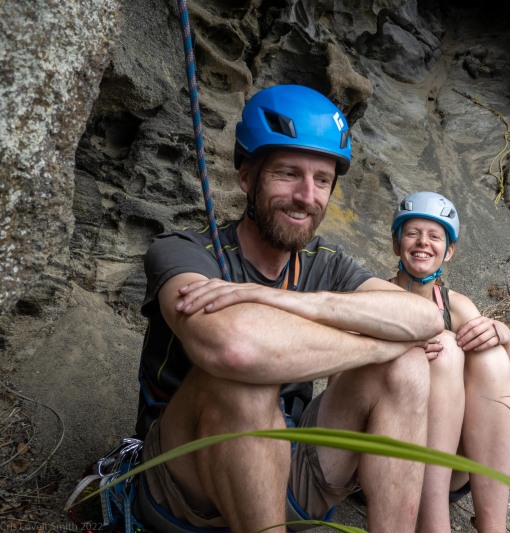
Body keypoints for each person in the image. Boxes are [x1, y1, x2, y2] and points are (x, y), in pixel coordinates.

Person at [134, 85, 444, 533]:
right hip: (183, 486)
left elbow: (426, 319)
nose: (306, 195)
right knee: (245, 383)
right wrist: (379, 346)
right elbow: (236, 349)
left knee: (409, 366)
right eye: (287, 174)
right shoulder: (183, 253)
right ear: (246, 177)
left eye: (321, 181)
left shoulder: (326, 265)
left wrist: (288, 300)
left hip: (289, 474)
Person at [388, 192, 510, 533]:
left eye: (435, 236)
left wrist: (506, 339)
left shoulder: (457, 307)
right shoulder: (375, 296)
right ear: (396, 243)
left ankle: (494, 527)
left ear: (448, 251)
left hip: (450, 469)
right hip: (387, 453)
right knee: (447, 347)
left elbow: (505, 390)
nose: (423, 243)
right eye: (413, 233)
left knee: (490, 354)